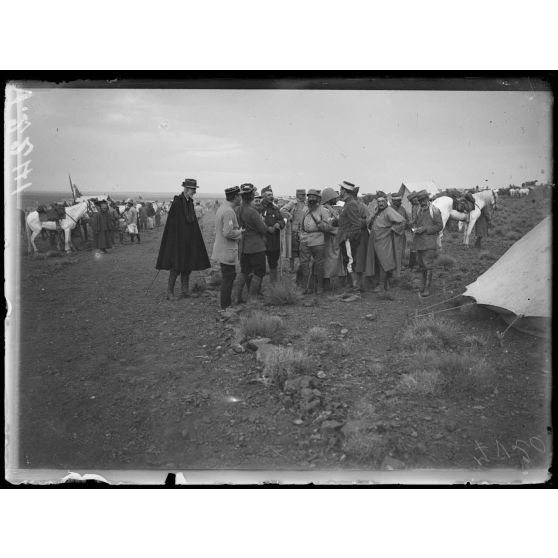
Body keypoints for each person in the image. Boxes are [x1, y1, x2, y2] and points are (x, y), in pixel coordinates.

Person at [156, 178, 210, 300]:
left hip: (189, 242)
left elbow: (192, 223)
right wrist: (175, 241)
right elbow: (172, 225)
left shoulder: (190, 202)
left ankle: (185, 291)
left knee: (187, 267)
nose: (194, 192)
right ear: (186, 189)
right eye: (193, 189)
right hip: (178, 242)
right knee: (176, 267)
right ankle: (169, 293)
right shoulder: (177, 203)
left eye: (195, 189)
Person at [235, 183, 277, 304]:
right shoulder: (252, 212)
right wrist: (264, 224)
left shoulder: (239, 210)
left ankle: (237, 297)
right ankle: (252, 297)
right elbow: (263, 229)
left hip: (243, 246)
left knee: (244, 271)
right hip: (256, 247)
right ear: (252, 195)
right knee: (259, 272)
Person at [212, 186, 243, 310]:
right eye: (239, 196)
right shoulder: (229, 211)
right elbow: (228, 232)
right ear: (235, 197)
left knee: (228, 277)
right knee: (228, 278)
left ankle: (225, 304)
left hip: (223, 249)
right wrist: (240, 232)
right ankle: (225, 307)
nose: (241, 198)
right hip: (227, 251)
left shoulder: (223, 208)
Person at [299, 189, 334, 295]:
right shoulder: (305, 209)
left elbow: (328, 227)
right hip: (304, 239)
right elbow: (301, 225)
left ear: (318, 199)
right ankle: (307, 286)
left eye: (314, 197)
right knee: (304, 264)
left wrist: (319, 223)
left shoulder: (323, 210)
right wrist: (300, 234)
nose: (311, 199)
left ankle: (320, 287)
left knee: (319, 264)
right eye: (310, 197)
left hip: (318, 239)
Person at [369, 196, 406, 292]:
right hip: (376, 240)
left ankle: (381, 285)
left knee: (383, 262)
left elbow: (401, 221)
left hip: (384, 241)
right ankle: (386, 284)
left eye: (382, 201)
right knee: (379, 262)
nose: (380, 203)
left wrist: (391, 229)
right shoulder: (378, 211)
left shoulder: (389, 210)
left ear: (386, 201)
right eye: (378, 201)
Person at [337, 180, 368, 292]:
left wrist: (347, 237)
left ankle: (355, 288)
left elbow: (356, 224)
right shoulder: (348, 203)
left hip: (348, 239)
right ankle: (352, 286)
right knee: (348, 262)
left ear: (345, 191)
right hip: (345, 238)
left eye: (341, 189)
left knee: (350, 263)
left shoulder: (351, 204)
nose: (340, 191)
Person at [413, 190, 443, 297]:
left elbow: (439, 226)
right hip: (419, 243)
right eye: (420, 200)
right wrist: (413, 227)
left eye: (423, 200)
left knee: (428, 265)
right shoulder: (418, 210)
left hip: (429, 243)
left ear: (427, 199)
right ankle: (423, 285)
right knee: (422, 266)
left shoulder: (434, 210)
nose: (422, 202)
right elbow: (416, 222)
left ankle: (427, 288)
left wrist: (425, 229)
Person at [320, 187, 345, 291]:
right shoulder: (325, 210)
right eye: (334, 197)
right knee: (329, 261)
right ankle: (327, 283)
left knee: (335, 260)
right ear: (329, 198)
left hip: (333, 238)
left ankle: (336, 282)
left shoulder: (329, 208)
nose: (336, 199)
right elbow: (328, 225)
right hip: (329, 238)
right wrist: (338, 230)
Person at [259, 185, 285, 283]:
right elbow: (256, 223)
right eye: (269, 195)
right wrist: (267, 228)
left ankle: (273, 284)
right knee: (259, 265)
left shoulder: (275, 208)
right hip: (261, 241)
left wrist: (279, 223)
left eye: (272, 194)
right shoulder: (258, 208)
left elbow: (282, 220)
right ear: (263, 196)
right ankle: (257, 288)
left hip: (274, 242)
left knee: (273, 263)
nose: (271, 196)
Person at [280, 189, 307, 275]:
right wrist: (290, 216)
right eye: (302, 195)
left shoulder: (306, 203)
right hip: (293, 230)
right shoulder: (293, 202)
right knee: (292, 251)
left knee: (302, 250)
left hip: (303, 230)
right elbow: (282, 210)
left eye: (304, 194)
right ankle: (291, 268)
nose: (304, 196)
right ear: (298, 195)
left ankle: (301, 268)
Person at [390, 194, 409, 279]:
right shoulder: (388, 210)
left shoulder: (402, 209)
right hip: (391, 235)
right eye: (398, 201)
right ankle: (392, 272)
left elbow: (407, 220)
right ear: (393, 201)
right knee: (392, 253)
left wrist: (406, 224)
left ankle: (398, 270)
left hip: (401, 235)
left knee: (400, 252)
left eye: (400, 200)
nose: (400, 202)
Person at [406, 191, 420, 270]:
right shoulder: (414, 206)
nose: (411, 201)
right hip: (415, 228)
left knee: (415, 246)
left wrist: (411, 223)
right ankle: (413, 264)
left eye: (412, 199)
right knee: (414, 246)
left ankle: (413, 265)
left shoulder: (420, 206)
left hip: (419, 228)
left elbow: (416, 219)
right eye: (410, 200)